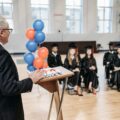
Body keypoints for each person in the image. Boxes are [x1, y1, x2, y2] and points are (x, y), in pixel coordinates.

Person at [0, 16, 44, 120]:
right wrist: (31, 80)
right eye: (9, 30)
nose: (9, 33)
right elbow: (8, 88)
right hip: (6, 111)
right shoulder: (2, 55)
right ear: (1, 32)